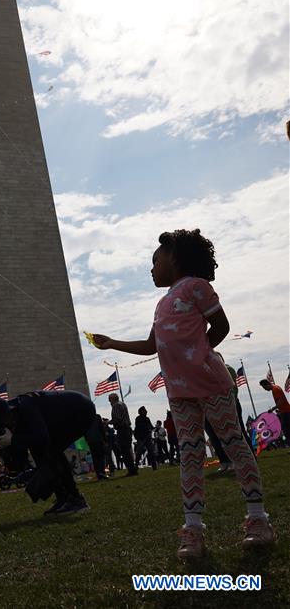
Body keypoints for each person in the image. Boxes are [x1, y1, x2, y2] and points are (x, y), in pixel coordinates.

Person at [94, 228, 274, 558]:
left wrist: (200, 354)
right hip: (179, 392)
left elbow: (220, 326)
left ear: (174, 258)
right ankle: (193, 529)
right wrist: (113, 342)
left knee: (234, 444)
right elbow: (151, 345)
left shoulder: (197, 287)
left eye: (155, 260)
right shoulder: (161, 303)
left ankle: (258, 518)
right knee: (189, 453)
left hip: (210, 383)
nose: (151, 268)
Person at [0, 389, 96, 516]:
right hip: (61, 417)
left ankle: (76, 499)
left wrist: (12, 440)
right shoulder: (13, 416)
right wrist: (2, 449)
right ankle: (63, 497)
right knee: (39, 451)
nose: (5, 425)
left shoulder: (26, 408)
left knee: (52, 449)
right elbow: (19, 461)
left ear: (9, 413)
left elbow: (41, 437)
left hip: (81, 409)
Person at [108, 393, 137, 475]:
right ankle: (132, 469)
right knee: (128, 450)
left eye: (109, 399)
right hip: (127, 429)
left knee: (124, 451)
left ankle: (131, 470)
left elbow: (117, 419)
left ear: (113, 399)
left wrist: (108, 422)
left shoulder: (116, 406)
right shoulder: (122, 404)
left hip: (122, 430)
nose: (109, 401)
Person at [259, 378, 290, 444]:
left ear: (267, 384)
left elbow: (281, 401)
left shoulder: (275, 389)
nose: (265, 389)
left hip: (286, 412)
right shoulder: (276, 388)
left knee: (287, 431)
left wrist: (273, 409)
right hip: (285, 411)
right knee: (287, 431)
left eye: (264, 387)